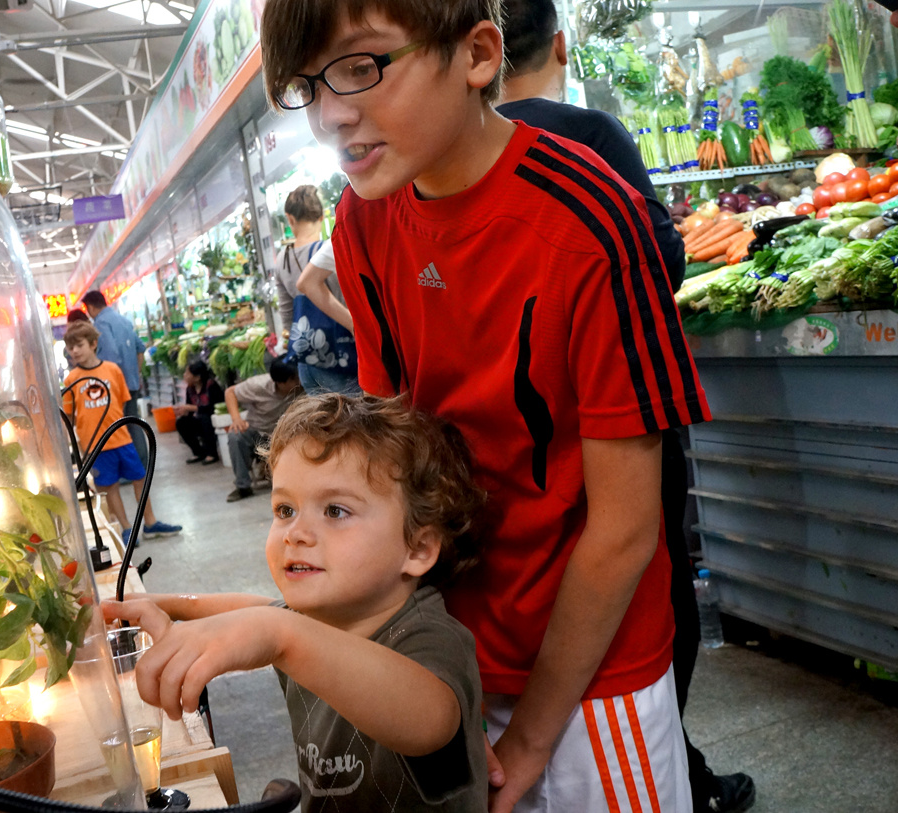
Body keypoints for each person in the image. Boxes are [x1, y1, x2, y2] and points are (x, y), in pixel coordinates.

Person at [259, 3, 710, 813]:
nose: (331, 113)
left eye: (362, 67)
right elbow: (394, 454)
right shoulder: (363, 219)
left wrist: (534, 732)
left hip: (591, 677)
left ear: (477, 53)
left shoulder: (589, 218)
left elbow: (626, 528)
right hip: (448, 649)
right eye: (306, 85)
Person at [497, 2, 755, 810]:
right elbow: (658, 257)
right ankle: (686, 771)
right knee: (652, 591)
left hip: (526, 476)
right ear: (561, 44)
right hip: (613, 426)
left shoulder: (442, 167)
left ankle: (688, 770)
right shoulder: (589, 137)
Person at [104, 393, 489, 812]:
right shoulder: (321, 620)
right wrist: (163, 604)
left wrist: (281, 634)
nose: (295, 533)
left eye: (336, 511)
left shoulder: (428, 638)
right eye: (285, 508)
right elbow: (253, 611)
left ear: (417, 549)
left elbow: (429, 721)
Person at [61, 322, 181, 544]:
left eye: (79, 345)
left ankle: (151, 522)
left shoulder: (112, 370)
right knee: (109, 487)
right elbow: (68, 415)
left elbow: (123, 404)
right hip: (95, 446)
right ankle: (125, 528)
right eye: (70, 347)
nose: (74, 351)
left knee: (140, 478)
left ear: (94, 344)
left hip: (122, 439)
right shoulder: (71, 380)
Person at [274, 185, 359, 395]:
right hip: (339, 352)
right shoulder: (328, 251)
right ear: (322, 217)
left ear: (290, 218)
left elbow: (286, 316)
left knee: (323, 424)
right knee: (353, 421)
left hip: (307, 360)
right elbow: (348, 296)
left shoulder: (282, 260)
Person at [82, 290, 149, 467]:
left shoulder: (101, 323)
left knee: (121, 429)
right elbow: (140, 349)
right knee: (134, 424)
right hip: (132, 382)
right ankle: (143, 465)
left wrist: (112, 383)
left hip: (116, 386)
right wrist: (136, 373)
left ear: (90, 307)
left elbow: (111, 356)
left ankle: (132, 469)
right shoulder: (123, 320)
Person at [224, 359, 302, 502]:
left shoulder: (304, 385)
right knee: (236, 436)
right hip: (258, 430)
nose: (299, 380)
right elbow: (230, 392)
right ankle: (243, 487)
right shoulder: (258, 385)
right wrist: (236, 419)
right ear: (280, 382)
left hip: (286, 434)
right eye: (294, 379)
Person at [174, 359, 224, 465]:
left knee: (206, 418)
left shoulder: (211, 386)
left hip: (212, 421)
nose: (184, 375)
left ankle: (212, 453)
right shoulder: (190, 389)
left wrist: (192, 408)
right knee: (181, 422)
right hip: (199, 420)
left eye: (187, 373)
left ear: (197, 377)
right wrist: (184, 411)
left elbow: (214, 408)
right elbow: (190, 409)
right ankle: (198, 452)